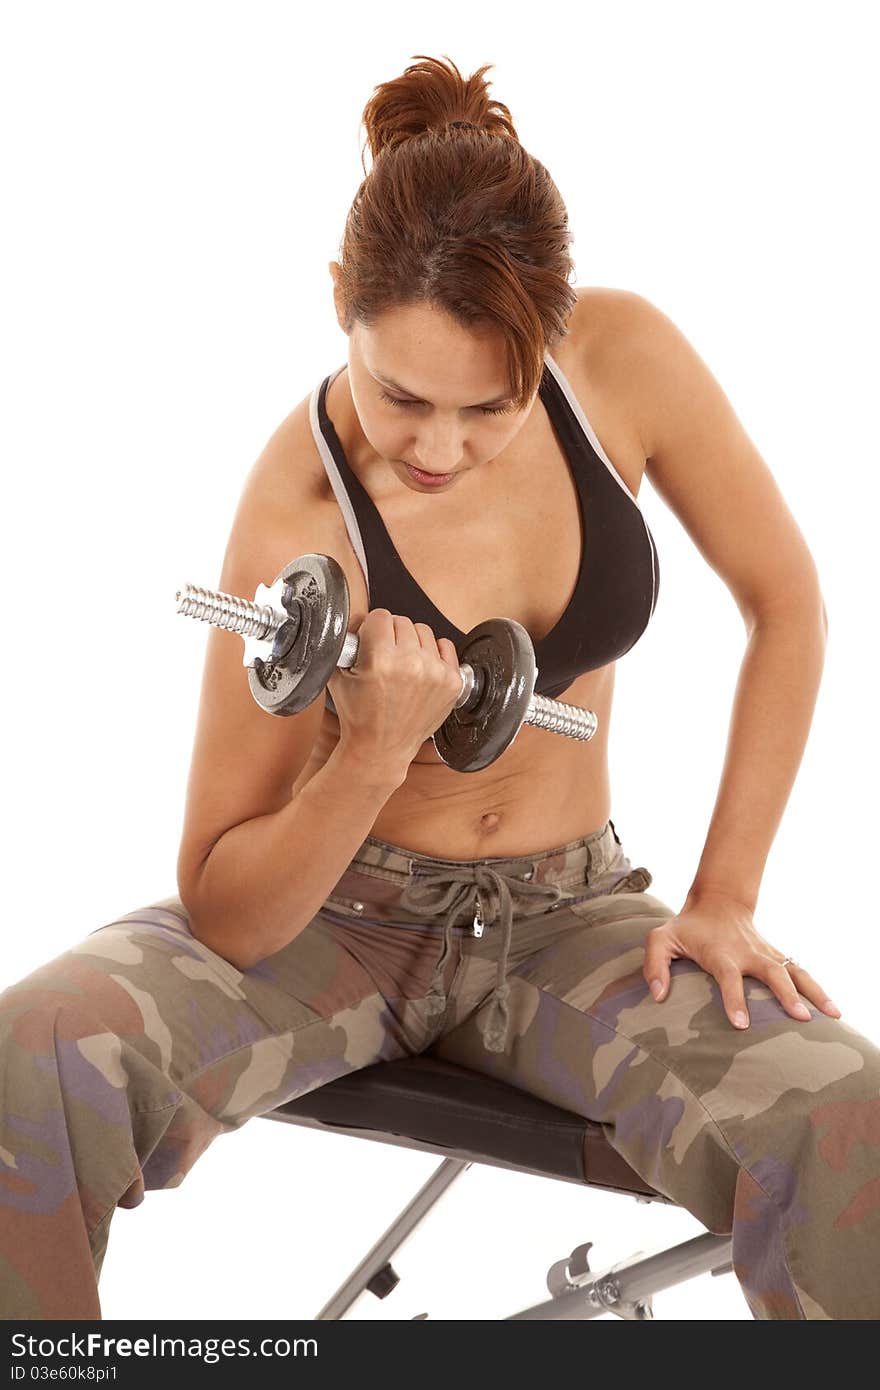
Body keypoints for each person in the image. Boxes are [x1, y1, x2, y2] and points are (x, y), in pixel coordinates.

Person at [1, 52, 877, 1323]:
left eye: (493, 405)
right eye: (402, 395)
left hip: (570, 921)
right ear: (340, 308)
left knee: (846, 1117)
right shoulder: (295, 510)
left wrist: (727, 895)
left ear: (550, 339)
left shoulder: (624, 359)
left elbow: (785, 604)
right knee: (31, 1054)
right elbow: (230, 911)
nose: (441, 447)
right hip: (332, 926)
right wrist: (364, 754)